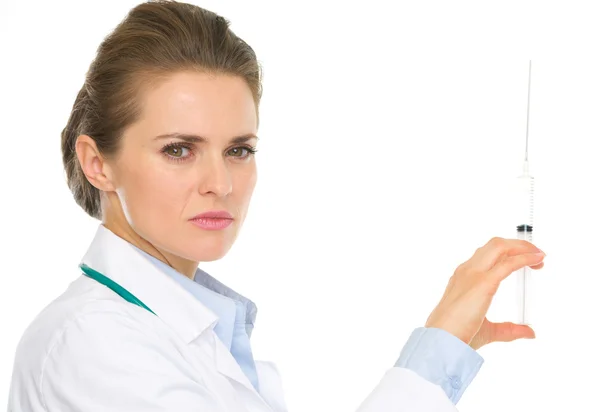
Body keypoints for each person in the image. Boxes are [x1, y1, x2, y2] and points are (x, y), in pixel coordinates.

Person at [7, 1, 546, 411]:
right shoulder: (92, 343)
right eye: (179, 149)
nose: (220, 182)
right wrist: (436, 352)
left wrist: (445, 338)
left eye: (238, 149)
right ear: (98, 163)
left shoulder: (184, 329)